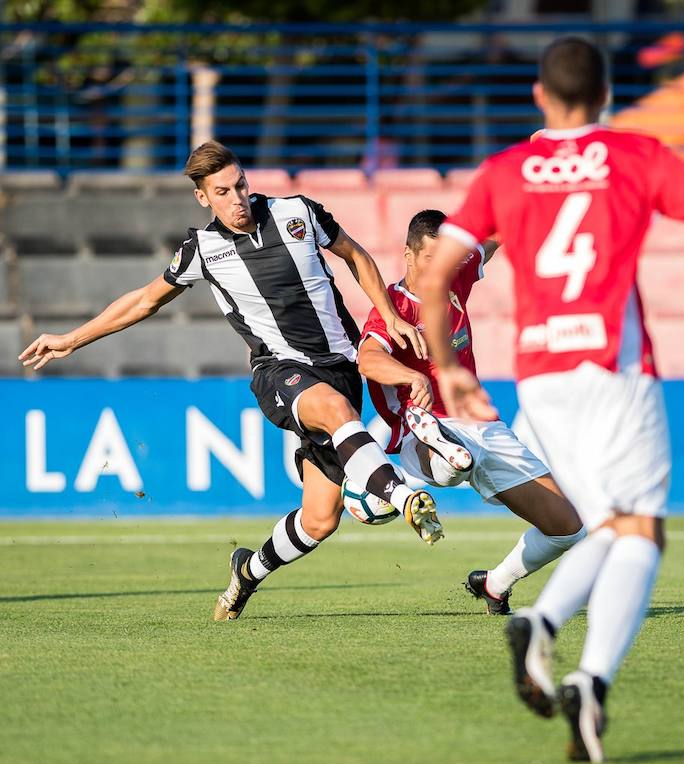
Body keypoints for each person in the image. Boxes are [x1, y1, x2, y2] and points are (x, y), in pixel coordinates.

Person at [418, 38, 684, 763]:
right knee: (641, 531)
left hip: (542, 378)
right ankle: (584, 673)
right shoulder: (634, 155)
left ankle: (544, 625)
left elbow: (436, 278)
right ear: (608, 92)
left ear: (538, 95)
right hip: (614, 372)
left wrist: (449, 370)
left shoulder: (505, 170)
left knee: (604, 525)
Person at [18, 140, 445, 623]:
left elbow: (357, 257)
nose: (237, 197)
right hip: (279, 371)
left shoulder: (297, 212)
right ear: (204, 198)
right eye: (223, 191)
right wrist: (72, 339)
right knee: (335, 412)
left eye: (241, 184)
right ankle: (402, 494)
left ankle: (248, 571)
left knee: (320, 519)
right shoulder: (202, 249)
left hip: (341, 368)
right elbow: (143, 301)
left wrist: (389, 318)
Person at [356, 209, 586, 616]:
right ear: (408, 256)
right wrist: (413, 378)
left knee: (568, 527)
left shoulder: (456, 276)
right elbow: (369, 359)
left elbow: (500, 231)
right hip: (423, 421)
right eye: (430, 258)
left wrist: (538, 165)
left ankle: (495, 585)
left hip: (483, 426)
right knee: (452, 465)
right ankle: (430, 461)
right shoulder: (393, 306)